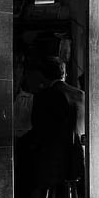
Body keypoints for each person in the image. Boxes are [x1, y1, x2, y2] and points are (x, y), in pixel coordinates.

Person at [29, 56, 85, 189]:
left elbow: (38, 127)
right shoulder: (81, 95)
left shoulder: (44, 96)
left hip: (55, 165)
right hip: (81, 160)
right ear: (64, 73)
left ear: (43, 76)